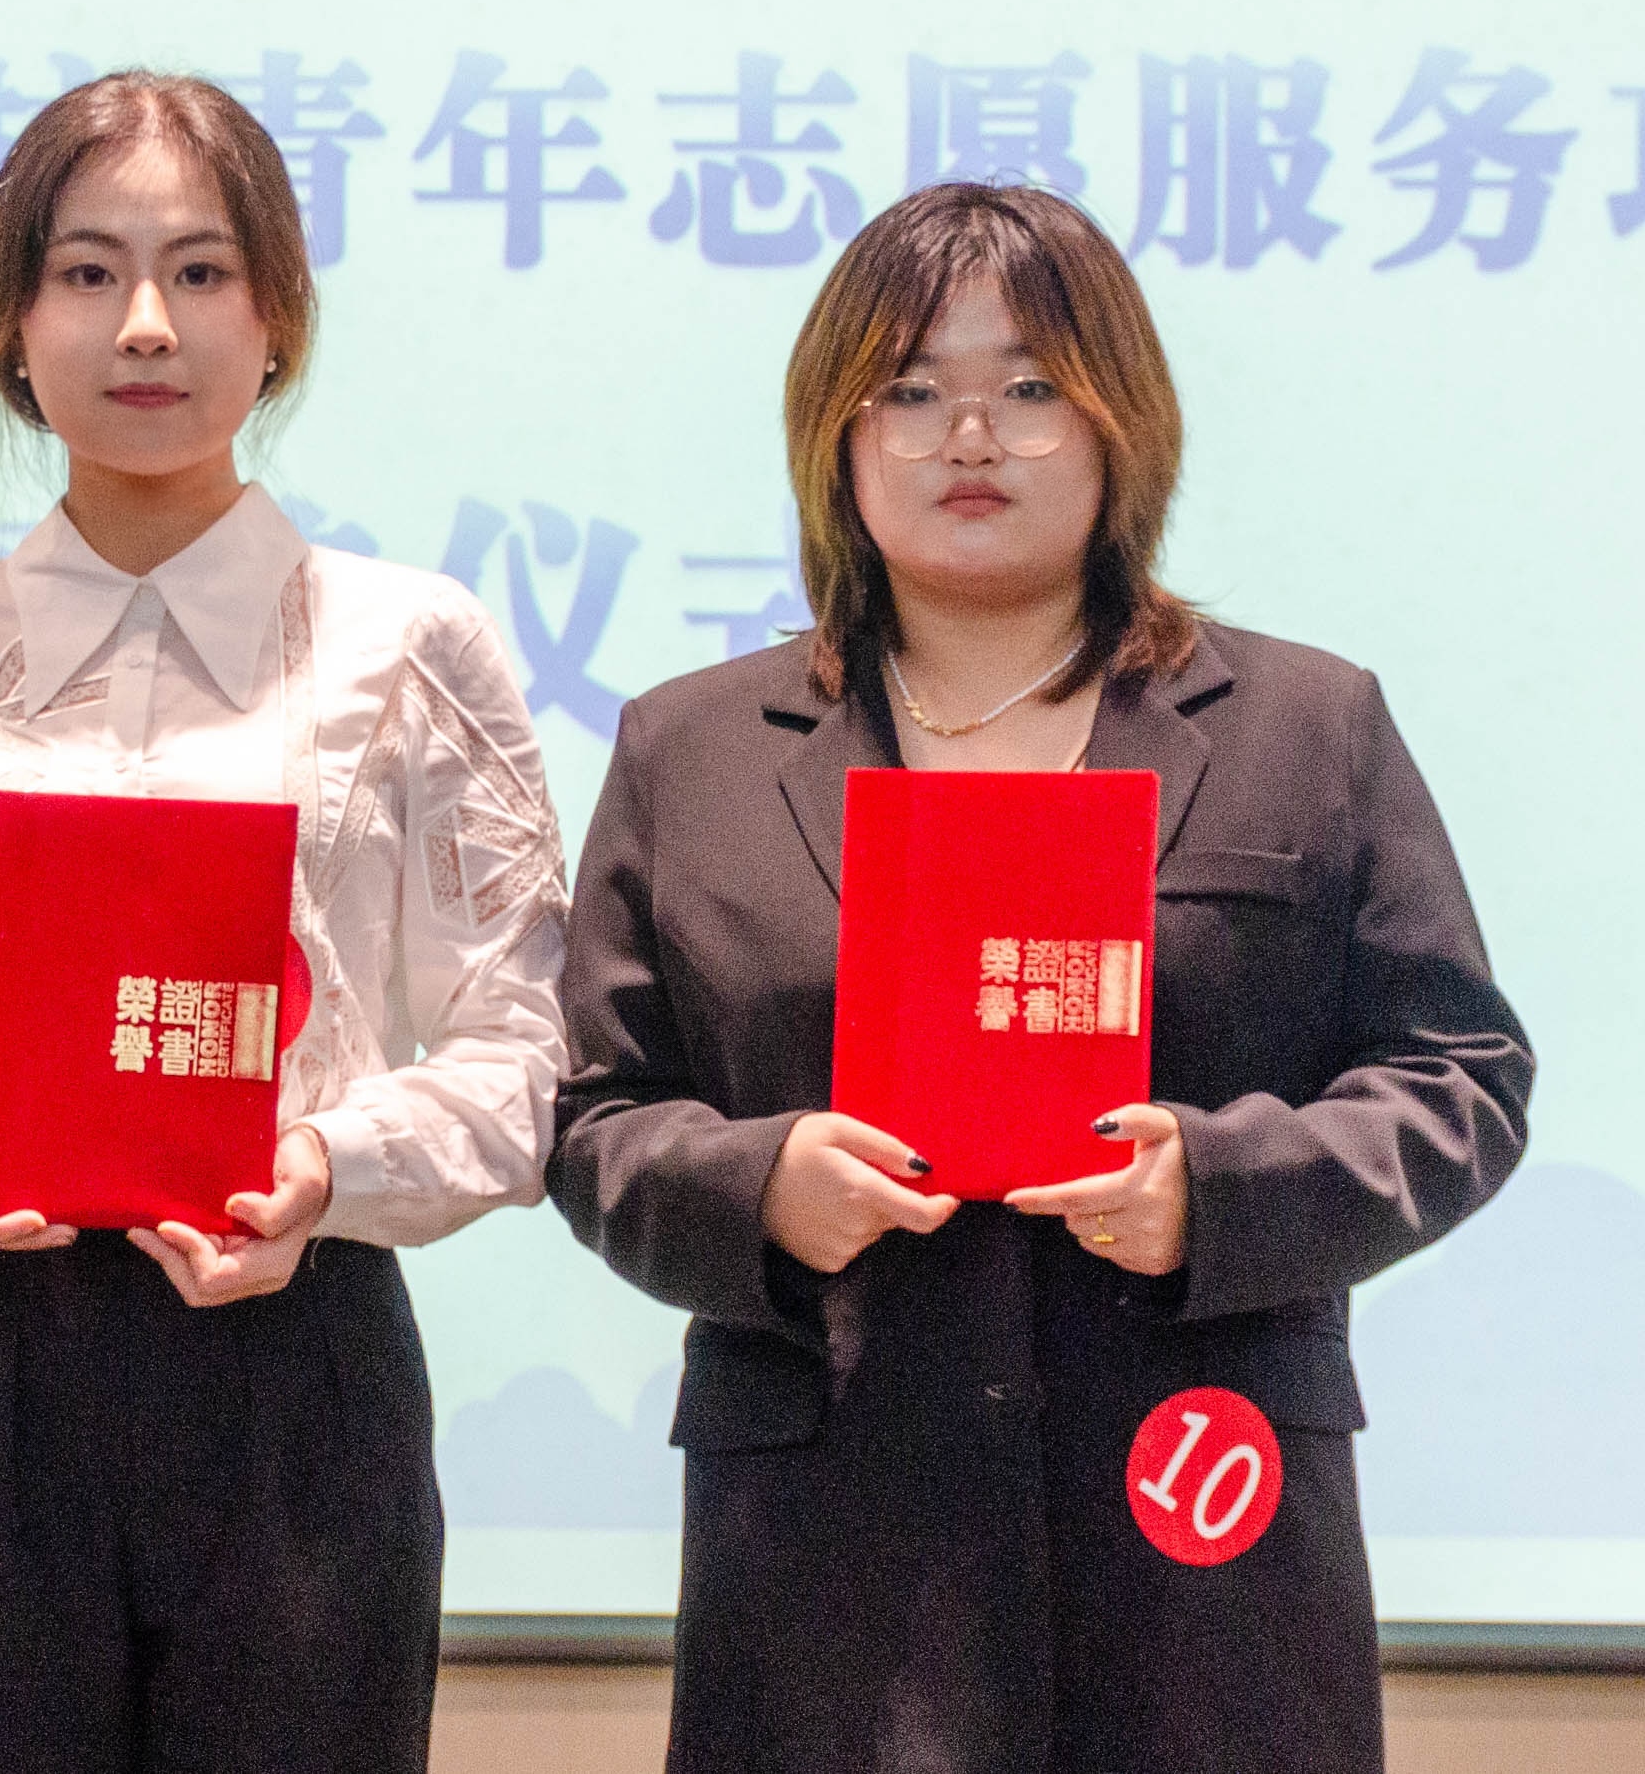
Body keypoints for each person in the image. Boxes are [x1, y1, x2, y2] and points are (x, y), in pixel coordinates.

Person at [548, 181, 1535, 1773]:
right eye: (908, 391)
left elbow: (1457, 1079)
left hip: (1198, 1515)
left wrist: (1220, 1188)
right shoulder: (693, 749)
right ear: (833, 435)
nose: (967, 437)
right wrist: (758, 1189)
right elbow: (591, 1115)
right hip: (834, 1533)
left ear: (1116, 420)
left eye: (1025, 387)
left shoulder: (1301, 726)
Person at [0, 70, 572, 1774]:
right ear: (11, 326)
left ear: (275, 318)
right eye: (86, 272)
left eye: (200, 271)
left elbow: (523, 1051)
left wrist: (325, 1166)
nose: (144, 324)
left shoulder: (408, 643)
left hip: (299, 1357)